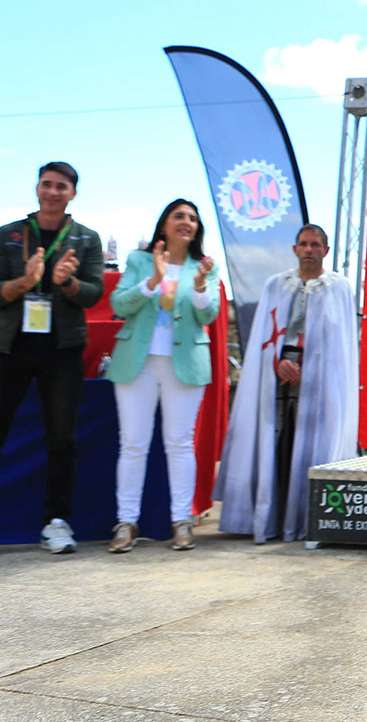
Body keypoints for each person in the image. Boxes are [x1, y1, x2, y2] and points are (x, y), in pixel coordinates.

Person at [0, 162, 104, 562]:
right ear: (37, 188)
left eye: (61, 186)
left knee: (62, 439)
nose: (52, 192)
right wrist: (26, 282)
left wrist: (67, 282)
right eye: (46, 184)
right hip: (8, 347)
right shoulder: (10, 233)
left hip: (62, 349)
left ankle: (56, 522)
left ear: (73, 193)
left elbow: (93, 294)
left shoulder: (86, 238)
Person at [214, 224, 357, 543]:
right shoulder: (277, 285)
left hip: (319, 379)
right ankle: (271, 517)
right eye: (303, 244)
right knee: (276, 441)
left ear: (326, 250)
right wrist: (276, 362)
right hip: (278, 371)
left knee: (311, 444)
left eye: (315, 245)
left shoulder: (338, 288)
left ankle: (307, 518)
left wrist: (314, 369)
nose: (309, 250)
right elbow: (265, 335)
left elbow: (341, 345)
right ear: (295, 249)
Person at [104, 200, 219, 553]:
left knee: (179, 443)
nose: (186, 222)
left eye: (193, 218)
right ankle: (126, 522)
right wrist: (154, 279)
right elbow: (118, 304)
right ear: (164, 225)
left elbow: (209, 315)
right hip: (137, 363)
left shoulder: (205, 267)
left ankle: (181, 520)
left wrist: (199, 286)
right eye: (179, 216)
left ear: (197, 229)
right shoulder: (139, 260)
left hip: (184, 364)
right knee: (133, 443)